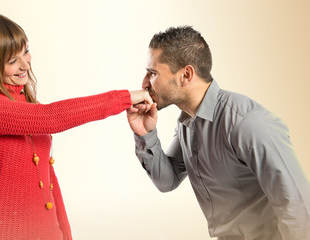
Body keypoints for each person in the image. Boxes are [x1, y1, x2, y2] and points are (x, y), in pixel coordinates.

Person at [0, 13, 152, 240]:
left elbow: (48, 181)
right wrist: (125, 97)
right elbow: (51, 118)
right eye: (12, 61)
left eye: (25, 51)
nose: (25, 64)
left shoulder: (29, 104)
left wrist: (64, 234)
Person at [127, 26, 310, 240]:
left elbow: (298, 208)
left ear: (186, 75)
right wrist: (145, 133)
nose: (144, 83)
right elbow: (167, 180)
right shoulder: (188, 123)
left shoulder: (247, 122)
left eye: (153, 72)